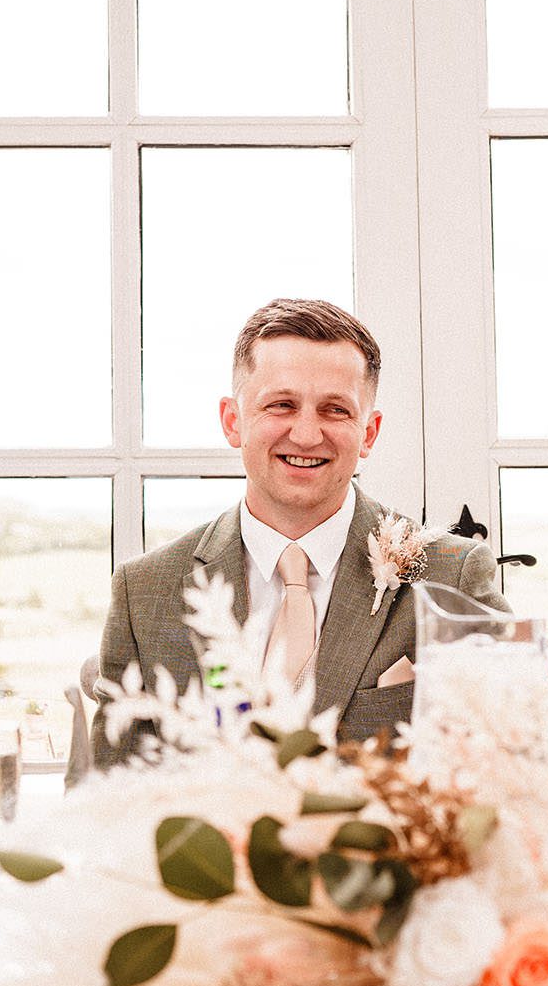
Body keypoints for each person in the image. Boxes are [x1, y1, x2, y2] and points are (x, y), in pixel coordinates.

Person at [93, 299, 502, 765]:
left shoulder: (454, 576)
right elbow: (102, 800)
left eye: (335, 410)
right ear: (233, 421)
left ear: (369, 432)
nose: (307, 435)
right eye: (281, 405)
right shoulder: (144, 592)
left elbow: (516, 769)